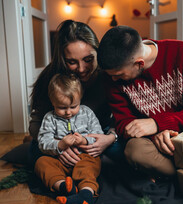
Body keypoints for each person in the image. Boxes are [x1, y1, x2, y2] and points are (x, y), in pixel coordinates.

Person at [97, 26, 183, 176]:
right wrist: (154, 135)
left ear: (139, 64)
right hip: (150, 142)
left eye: (119, 75)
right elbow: (123, 122)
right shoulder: (110, 76)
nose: (114, 79)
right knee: (135, 151)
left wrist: (157, 123)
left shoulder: (181, 51)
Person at [29, 20, 122, 167]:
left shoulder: (111, 75)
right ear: (62, 59)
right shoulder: (51, 77)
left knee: (123, 151)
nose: (81, 69)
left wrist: (110, 137)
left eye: (88, 59)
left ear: (98, 52)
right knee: (37, 154)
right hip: (58, 138)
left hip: (97, 134)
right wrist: (58, 148)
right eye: (72, 62)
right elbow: (35, 124)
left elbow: (122, 116)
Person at [35, 74, 102, 204]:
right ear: (52, 102)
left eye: (73, 106)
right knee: (41, 163)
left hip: (84, 157)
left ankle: (86, 194)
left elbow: (98, 134)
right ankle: (64, 187)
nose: (68, 112)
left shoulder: (87, 113)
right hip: (60, 161)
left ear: (80, 98)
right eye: (62, 107)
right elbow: (43, 141)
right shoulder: (50, 118)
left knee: (90, 165)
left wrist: (84, 140)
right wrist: (59, 144)